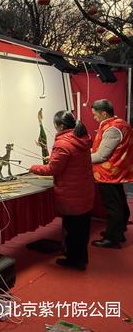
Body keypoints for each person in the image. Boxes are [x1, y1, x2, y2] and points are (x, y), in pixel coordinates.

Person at [30, 111, 94, 270]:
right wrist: (53, 159)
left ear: (61, 126)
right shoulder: (81, 138)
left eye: (55, 125)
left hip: (71, 194)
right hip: (84, 192)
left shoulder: (62, 143)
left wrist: (33, 168)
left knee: (72, 230)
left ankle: (74, 261)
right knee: (82, 229)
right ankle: (81, 258)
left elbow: (53, 169)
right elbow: (71, 161)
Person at [89, 99, 133, 248]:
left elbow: (102, 156)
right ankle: (118, 231)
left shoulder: (112, 128)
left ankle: (112, 239)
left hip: (108, 174)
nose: (94, 117)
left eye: (95, 114)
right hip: (116, 171)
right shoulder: (120, 123)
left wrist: (80, 157)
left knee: (113, 206)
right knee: (119, 202)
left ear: (104, 113)